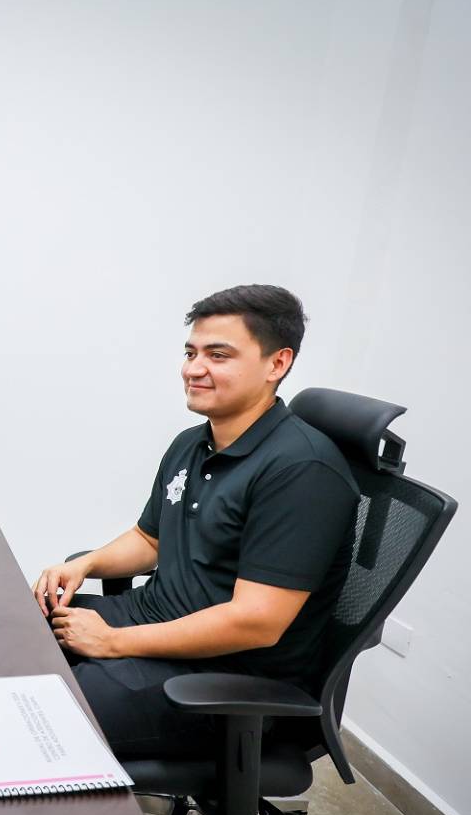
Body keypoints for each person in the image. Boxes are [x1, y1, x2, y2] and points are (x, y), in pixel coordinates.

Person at [32, 285, 358, 758]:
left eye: (219, 355)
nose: (194, 368)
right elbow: (150, 539)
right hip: (156, 619)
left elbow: (255, 624)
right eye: (191, 352)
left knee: (46, 722)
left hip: (225, 680)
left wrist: (113, 642)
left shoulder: (303, 472)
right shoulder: (193, 441)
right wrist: (86, 565)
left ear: (277, 364)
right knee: (16, 639)